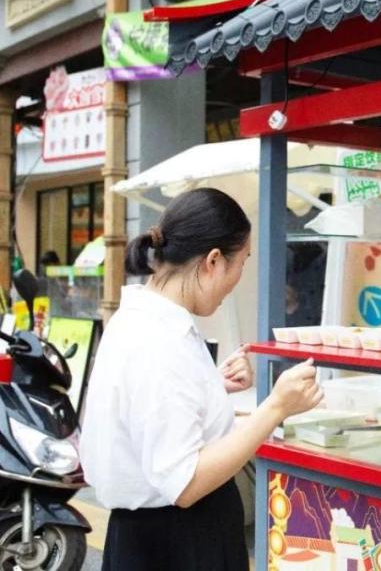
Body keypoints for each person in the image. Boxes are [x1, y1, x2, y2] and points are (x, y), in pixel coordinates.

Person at [80, 188, 323, 570]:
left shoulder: (139, 321)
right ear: (213, 261)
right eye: (242, 262)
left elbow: (151, 410)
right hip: (179, 543)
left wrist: (210, 384)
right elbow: (186, 482)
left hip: (157, 538)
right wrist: (276, 408)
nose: (239, 278)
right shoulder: (160, 342)